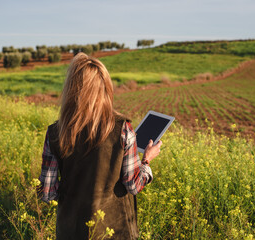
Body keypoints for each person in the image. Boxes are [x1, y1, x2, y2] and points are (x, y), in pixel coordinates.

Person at [38, 52, 162, 240]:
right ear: (105, 88)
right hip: (114, 231)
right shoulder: (122, 129)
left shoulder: (55, 132)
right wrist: (147, 160)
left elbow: (47, 193)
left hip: (70, 232)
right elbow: (134, 185)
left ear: (71, 90)